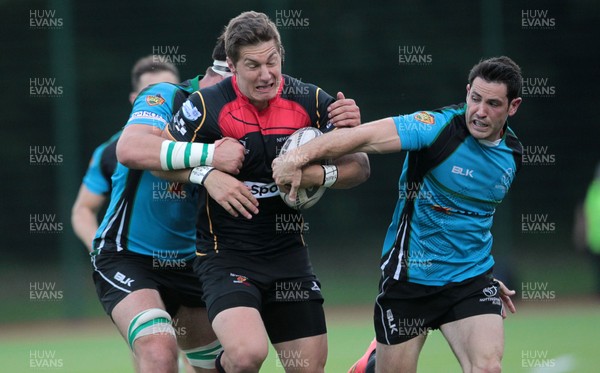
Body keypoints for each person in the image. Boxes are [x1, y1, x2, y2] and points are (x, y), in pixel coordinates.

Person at [119, 11, 369, 372]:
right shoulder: (204, 107)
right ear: (233, 66)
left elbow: (360, 165)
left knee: (309, 366)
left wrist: (317, 173)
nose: (266, 74)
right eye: (253, 65)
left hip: (288, 255)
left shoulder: (311, 100)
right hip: (226, 256)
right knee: (247, 354)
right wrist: (206, 174)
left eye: (272, 61)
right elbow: (159, 163)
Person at [273, 56, 523, 373]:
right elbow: (362, 136)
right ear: (467, 92)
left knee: (488, 367)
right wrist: (295, 158)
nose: (480, 111)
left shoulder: (512, 154)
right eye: (475, 99)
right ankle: (370, 365)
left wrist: (484, 277)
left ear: (512, 107)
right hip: (409, 279)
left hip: (469, 281)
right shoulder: (436, 128)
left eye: (493, 104)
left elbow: (475, 218)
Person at [92, 36, 244, 373]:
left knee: (223, 364)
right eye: (253, 70)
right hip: (129, 256)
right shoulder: (165, 95)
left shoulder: (247, 116)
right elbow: (130, 150)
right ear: (230, 71)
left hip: (196, 264)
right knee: (160, 351)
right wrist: (209, 162)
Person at [71, 55, 180, 252]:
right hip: (134, 264)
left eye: (170, 91)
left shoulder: (204, 143)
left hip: (196, 263)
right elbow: (83, 209)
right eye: (153, 95)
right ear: (134, 100)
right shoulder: (110, 152)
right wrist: (97, 249)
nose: (162, 100)